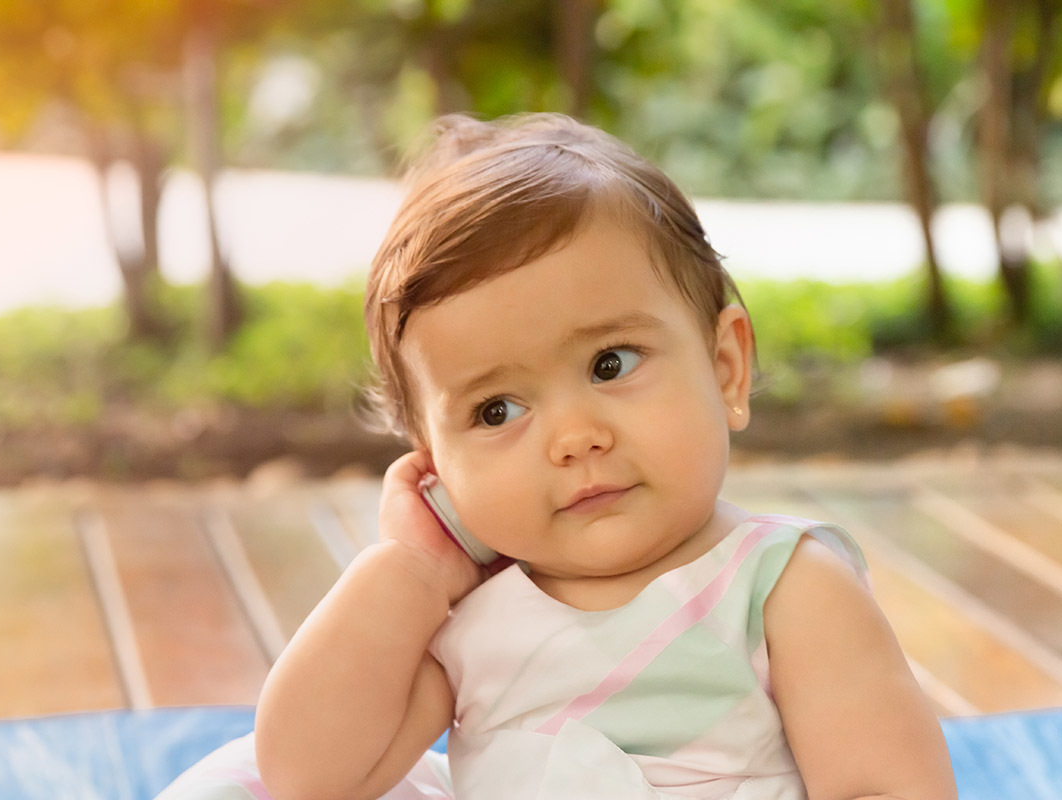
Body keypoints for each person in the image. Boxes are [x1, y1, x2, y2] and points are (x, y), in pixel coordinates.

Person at [158, 113, 956, 800]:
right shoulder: (475, 621)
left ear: (725, 369)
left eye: (611, 364)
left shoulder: (779, 585)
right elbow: (306, 777)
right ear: (436, 463)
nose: (573, 437)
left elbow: (885, 783)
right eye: (496, 410)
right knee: (233, 782)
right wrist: (410, 568)